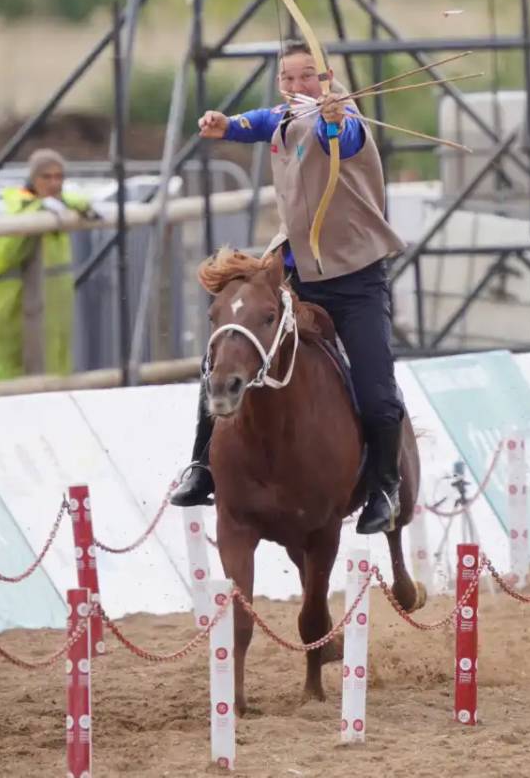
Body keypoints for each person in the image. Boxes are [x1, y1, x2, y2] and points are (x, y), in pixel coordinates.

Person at [171, 39, 407, 535]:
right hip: (297, 272)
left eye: (308, 77)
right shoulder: (284, 115)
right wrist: (228, 125)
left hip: (356, 280)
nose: (297, 87)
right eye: (288, 78)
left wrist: (333, 116)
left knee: (378, 390)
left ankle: (384, 487)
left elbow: (334, 133)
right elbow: (264, 121)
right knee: (228, 352)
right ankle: (202, 467)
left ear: (327, 77)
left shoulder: (345, 123)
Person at [0, 148, 95, 383]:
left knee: (57, 368)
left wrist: (78, 206)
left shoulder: (59, 209)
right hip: (8, 307)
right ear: (32, 179)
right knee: (7, 374)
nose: (54, 183)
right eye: (46, 177)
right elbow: (7, 249)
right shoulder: (15, 208)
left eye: (59, 177)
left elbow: (73, 201)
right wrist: (42, 209)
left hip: (50, 309)